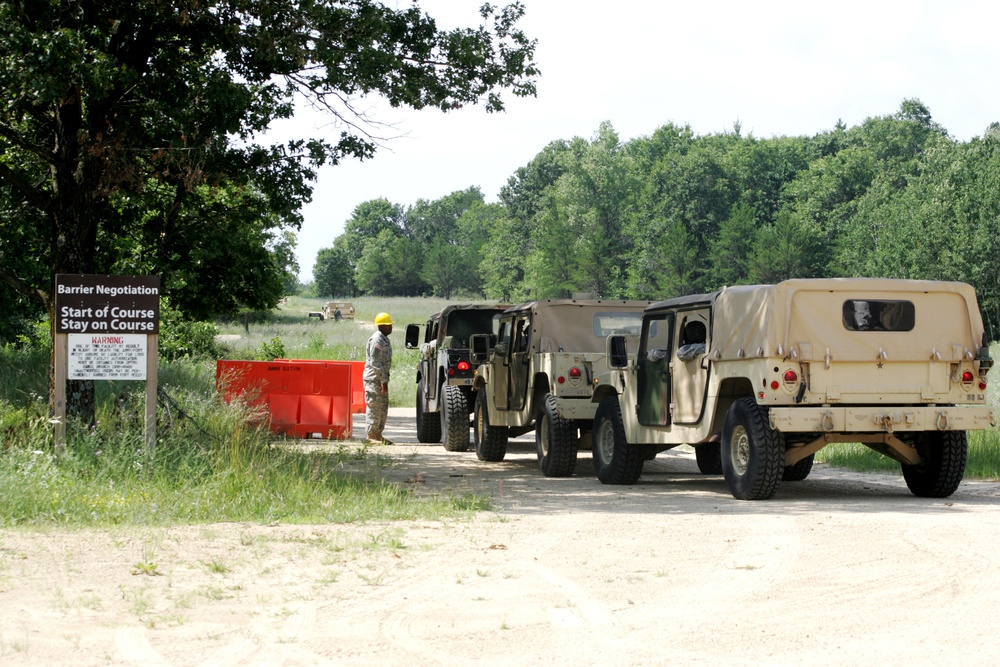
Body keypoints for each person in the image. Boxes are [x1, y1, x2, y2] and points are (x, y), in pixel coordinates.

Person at [364, 312, 394, 445]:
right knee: (374, 406)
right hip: (374, 379)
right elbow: (375, 362)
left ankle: (378, 434)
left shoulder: (384, 339)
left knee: (382, 407)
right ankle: (371, 435)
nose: (391, 328)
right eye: (389, 325)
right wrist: (383, 381)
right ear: (382, 326)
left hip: (381, 379)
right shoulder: (377, 340)